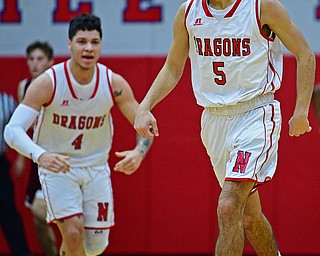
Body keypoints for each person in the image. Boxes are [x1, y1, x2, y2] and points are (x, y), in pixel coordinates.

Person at [134, 0, 315, 255]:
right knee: (249, 217)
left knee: (228, 205)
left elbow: (305, 54)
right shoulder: (188, 12)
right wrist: (144, 106)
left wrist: (300, 111)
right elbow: (173, 68)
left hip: (256, 112)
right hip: (214, 120)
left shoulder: (262, 7)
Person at [4, 13, 153, 256]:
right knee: (73, 234)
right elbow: (12, 130)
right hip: (58, 167)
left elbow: (144, 123)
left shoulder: (113, 82)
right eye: (82, 41)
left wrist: (139, 152)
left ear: (101, 46)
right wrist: (40, 156)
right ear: (69, 44)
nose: (88, 48)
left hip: (96, 168)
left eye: (94, 42)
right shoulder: (48, 83)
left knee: (94, 247)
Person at [15, 41, 58, 256]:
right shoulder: (24, 86)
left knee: (70, 219)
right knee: (37, 215)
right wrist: (22, 158)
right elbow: (21, 127)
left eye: (39, 59)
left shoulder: (58, 85)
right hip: (38, 157)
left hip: (62, 156)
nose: (34, 63)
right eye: (31, 59)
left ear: (50, 62)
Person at [0, 92, 33, 256]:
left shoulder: (6, 101)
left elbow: (19, 129)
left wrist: (21, 157)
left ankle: (21, 253)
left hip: (0, 163)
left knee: (7, 207)